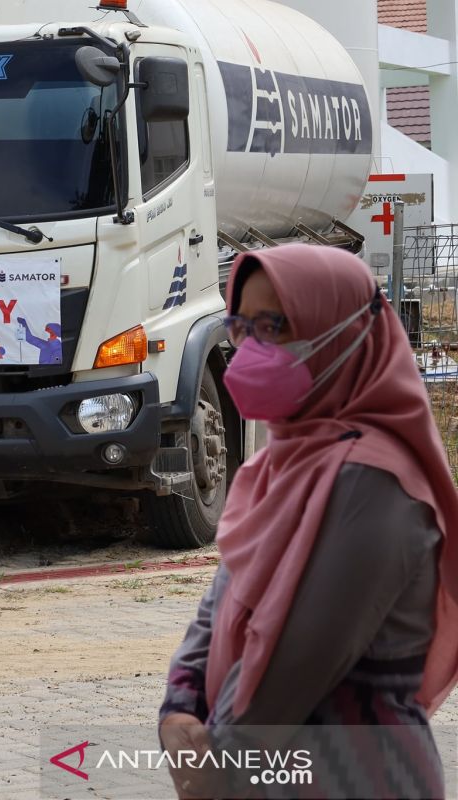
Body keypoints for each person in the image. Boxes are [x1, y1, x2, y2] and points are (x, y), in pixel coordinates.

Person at [158, 244, 458, 799]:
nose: (249, 349)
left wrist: (215, 767)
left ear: (344, 335)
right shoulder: (278, 464)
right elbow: (219, 606)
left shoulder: (375, 480)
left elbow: (295, 659)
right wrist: (178, 712)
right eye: (240, 327)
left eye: (274, 326)